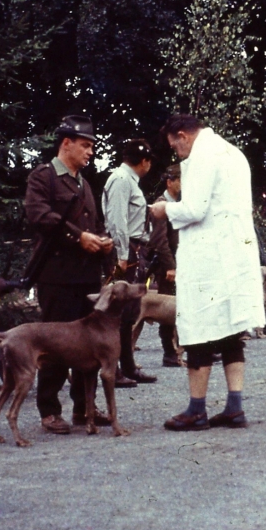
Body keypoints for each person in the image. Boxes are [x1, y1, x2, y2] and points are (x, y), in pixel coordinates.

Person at [149, 114, 266, 431]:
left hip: (208, 259)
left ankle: (196, 410)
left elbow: (194, 209)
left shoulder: (203, 155)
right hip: (234, 256)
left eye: (175, 146)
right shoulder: (232, 152)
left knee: (198, 329)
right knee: (231, 330)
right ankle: (234, 407)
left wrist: (164, 209)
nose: (176, 152)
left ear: (183, 135)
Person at [23, 115, 115, 435]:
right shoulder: (43, 177)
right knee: (56, 345)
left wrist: (103, 242)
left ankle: (84, 408)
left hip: (87, 277)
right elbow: (39, 215)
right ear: (66, 144)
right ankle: (49, 411)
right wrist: (79, 238)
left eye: (92, 146)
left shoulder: (83, 184)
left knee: (88, 346)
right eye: (85, 145)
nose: (90, 152)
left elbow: (95, 225)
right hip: (57, 277)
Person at [101, 139, 158, 385]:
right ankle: (113, 370)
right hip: (125, 251)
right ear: (144, 161)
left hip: (134, 249)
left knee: (130, 311)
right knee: (118, 313)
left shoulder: (129, 181)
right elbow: (117, 220)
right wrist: (122, 255)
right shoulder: (122, 180)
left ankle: (128, 366)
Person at [148, 163, 185, 366]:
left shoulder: (176, 204)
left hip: (178, 263)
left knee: (181, 307)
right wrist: (170, 266)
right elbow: (159, 239)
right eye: (180, 180)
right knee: (166, 309)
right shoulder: (161, 205)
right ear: (170, 182)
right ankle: (169, 353)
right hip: (167, 266)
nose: (183, 184)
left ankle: (184, 349)